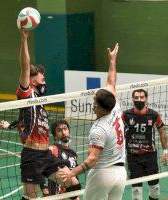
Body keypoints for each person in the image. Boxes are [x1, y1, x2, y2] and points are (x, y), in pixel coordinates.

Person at [0, 30, 80, 199]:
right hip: (32, 155)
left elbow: (25, 120)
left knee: (73, 184)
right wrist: (24, 39)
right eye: (43, 80)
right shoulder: (26, 94)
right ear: (33, 81)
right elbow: (24, 65)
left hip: (47, 155)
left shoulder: (41, 104)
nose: (45, 83)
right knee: (31, 197)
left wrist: (12, 124)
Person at [60, 43, 127, 200]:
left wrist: (72, 172)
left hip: (102, 174)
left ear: (98, 107)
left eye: (95, 102)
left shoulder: (99, 129)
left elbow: (92, 159)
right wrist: (112, 61)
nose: (93, 103)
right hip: (120, 174)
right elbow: (111, 82)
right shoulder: (115, 108)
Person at [122, 89, 168, 200]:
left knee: (155, 189)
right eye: (136, 97)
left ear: (146, 99)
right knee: (136, 190)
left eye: (142, 97)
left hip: (150, 155)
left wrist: (165, 151)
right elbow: (118, 132)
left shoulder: (153, 115)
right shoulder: (125, 115)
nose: (139, 99)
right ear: (132, 99)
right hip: (133, 156)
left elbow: (162, 131)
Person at [47, 120, 79, 196]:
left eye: (65, 129)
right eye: (59, 130)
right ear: (55, 136)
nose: (64, 133)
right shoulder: (53, 149)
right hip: (57, 195)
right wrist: (44, 188)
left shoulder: (73, 153)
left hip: (71, 194)